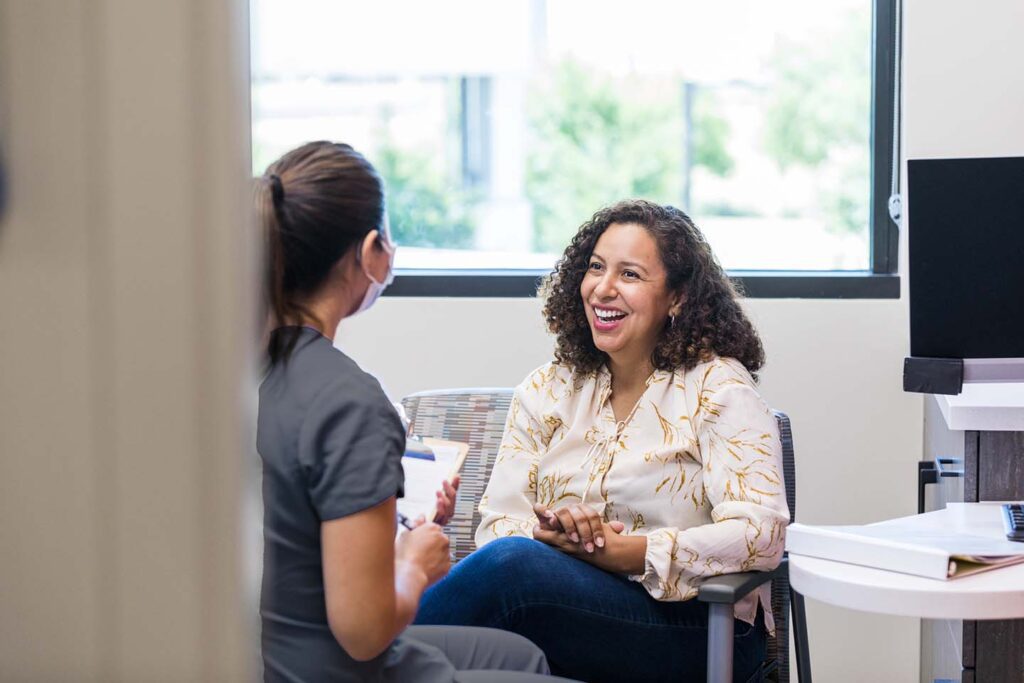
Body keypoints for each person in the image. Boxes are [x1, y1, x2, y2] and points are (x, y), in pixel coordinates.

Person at [415, 199, 790, 682]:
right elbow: (499, 526)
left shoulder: (718, 388)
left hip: (699, 627)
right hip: (566, 611)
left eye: (630, 275)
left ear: (676, 298)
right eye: (595, 268)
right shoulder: (547, 389)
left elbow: (761, 535)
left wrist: (625, 552)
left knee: (513, 568)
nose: (602, 288)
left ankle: (355, 657)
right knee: (510, 565)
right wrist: (554, 539)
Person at [256, 141, 572, 682]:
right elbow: (363, 631)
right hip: (333, 666)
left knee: (522, 658)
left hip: (272, 650)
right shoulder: (350, 402)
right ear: (372, 249)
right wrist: (413, 564)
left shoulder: (245, 371)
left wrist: (400, 531)